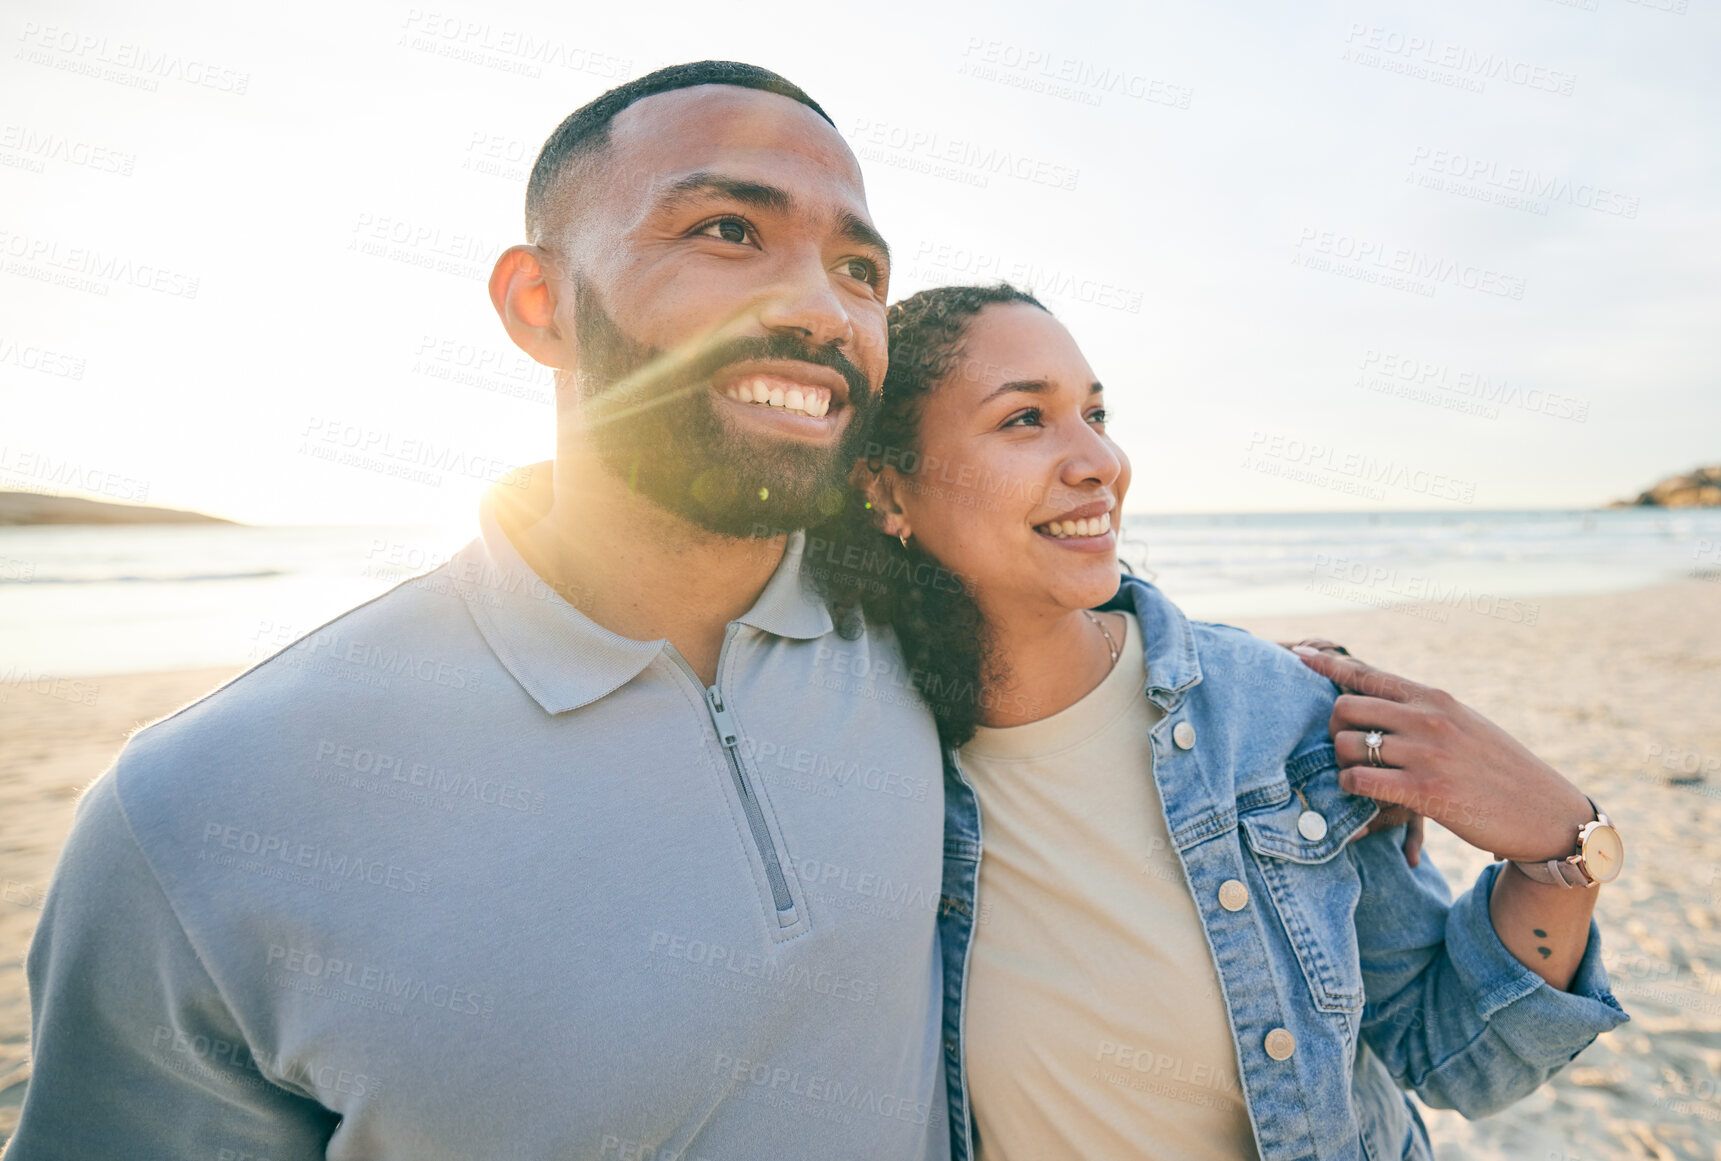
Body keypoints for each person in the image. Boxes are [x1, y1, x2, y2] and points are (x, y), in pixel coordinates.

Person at [12, 62, 951, 1160]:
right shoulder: (196, 809)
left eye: (858, 268)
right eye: (727, 231)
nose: (820, 307)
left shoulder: (947, 648)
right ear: (537, 305)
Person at [819, 283, 1629, 1160]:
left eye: (1095, 412)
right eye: (1024, 419)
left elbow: (1455, 1058)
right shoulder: (843, 740)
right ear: (886, 491)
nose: (1098, 459)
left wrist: (1562, 848)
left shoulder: (1274, 714)